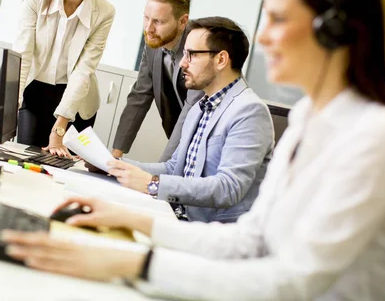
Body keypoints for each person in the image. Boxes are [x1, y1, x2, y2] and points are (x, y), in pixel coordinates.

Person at [1, 0, 385, 300]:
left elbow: (294, 282)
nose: (263, 39)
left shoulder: (379, 139)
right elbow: (251, 240)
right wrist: (132, 220)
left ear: (333, 32)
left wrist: (131, 262)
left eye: (279, 20)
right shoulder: (307, 121)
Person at [107, 16, 274, 223]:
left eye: (192, 55)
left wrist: (152, 184)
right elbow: (173, 168)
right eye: (184, 54)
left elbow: (228, 187)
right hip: (179, 217)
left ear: (221, 59)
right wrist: (113, 165)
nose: (183, 63)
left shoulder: (249, 111)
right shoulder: (199, 107)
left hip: (216, 233)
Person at [14, 0, 115, 158]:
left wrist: (59, 129)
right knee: (27, 157)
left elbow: (84, 70)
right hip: (35, 89)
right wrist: (9, 109)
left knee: (63, 167)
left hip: (75, 101)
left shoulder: (105, 12)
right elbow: (23, 53)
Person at [111, 0, 204, 162]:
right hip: (179, 140)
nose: (148, 28)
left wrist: (163, 168)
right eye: (146, 17)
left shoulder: (199, 45)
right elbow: (140, 95)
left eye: (158, 21)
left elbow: (191, 109)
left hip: (206, 142)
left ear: (182, 21)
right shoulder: (154, 41)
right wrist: (115, 155)